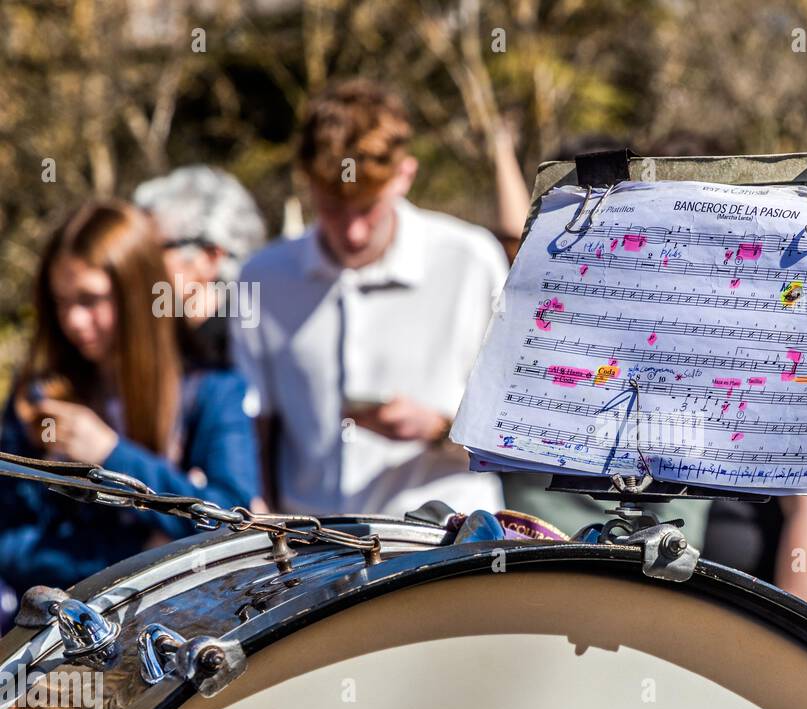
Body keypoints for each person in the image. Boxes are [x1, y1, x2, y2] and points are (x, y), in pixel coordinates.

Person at [233, 78, 508, 518]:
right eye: (332, 209)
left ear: (405, 175)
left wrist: (438, 429)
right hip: (314, 548)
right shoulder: (262, 277)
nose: (352, 231)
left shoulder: (470, 260)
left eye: (367, 208)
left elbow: (521, 428)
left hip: (447, 546)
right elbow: (255, 423)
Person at [0, 199, 260, 594]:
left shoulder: (212, 391)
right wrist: (138, 551)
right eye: (60, 302)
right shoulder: (41, 398)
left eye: (90, 300)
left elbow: (233, 522)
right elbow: (11, 541)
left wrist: (111, 454)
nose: (73, 320)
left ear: (136, 295)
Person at [133, 165, 267, 369]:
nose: (138, 264)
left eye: (152, 251)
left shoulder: (244, 351)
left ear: (210, 256)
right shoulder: (154, 341)